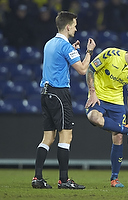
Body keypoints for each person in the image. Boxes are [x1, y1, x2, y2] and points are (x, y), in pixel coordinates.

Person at [31, 11, 96, 189]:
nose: (76, 28)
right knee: (66, 135)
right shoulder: (65, 46)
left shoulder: (50, 43)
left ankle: (37, 178)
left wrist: (72, 51)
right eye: (74, 25)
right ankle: (64, 180)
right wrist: (88, 52)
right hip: (59, 93)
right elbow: (83, 69)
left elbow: (59, 63)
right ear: (68, 26)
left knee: (48, 138)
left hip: (45, 93)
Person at [85, 44, 128, 187]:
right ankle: (127, 130)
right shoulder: (110, 54)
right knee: (94, 117)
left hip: (116, 102)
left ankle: (114, 179)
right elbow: (90, 69)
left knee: (118, 137)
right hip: (99, 97)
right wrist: (92, 92)